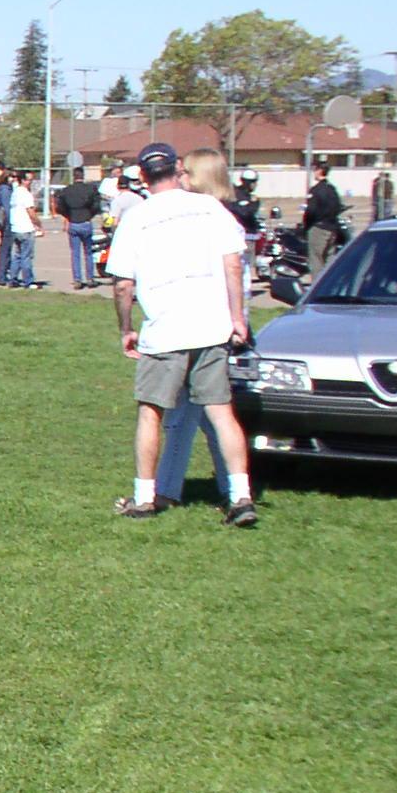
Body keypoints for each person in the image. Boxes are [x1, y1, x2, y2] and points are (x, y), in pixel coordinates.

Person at [105, 140, 256, 527]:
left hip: (164, 330)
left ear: (142, 176)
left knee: (151, 413)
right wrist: (237, 317)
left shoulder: (137, 217)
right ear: (177, 169)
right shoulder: (209, 208)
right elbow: (233, 266)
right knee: (222, 412)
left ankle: (144, 497)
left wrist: (126, 328)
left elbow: (123, 285)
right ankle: (241, 496)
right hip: (211, 328)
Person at [145, 148, 244, 509]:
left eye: (184, 172)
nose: (178, 178)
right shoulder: (204, 216)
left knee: (200, 414)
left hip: (207, 329)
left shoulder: (216, 217)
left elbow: (235, 274)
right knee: (200, 414)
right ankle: (227, 492)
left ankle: (175, 491)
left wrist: (236, 320)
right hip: (199, 326)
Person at [55, 172, 101, 288]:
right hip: (86, 221)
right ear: (83, 176)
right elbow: (96, 205)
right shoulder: (90, 189)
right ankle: (90, 278)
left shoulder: (67, 191)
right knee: (88, 252)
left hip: (74, 222)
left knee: (75, 253)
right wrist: (90, 214)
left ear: (73, 177)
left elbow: (60, 207)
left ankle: (77, 279)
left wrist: (69, 215)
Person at [303, 163, 346, 272]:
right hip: (332, 228)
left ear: (320, 171)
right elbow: (338, 207)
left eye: (315, 169)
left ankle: (318, 286)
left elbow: (311, 211)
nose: (314, 172)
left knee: (316, 260)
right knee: (329, 260)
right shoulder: (332, 190)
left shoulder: (316, 190)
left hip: (318, 228)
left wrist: (306, 227)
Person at [4, 170, 42, 287]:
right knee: (26, 256)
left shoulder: (15, 193)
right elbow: (30, 211)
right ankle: (28, 281)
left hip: (15, 228)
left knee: (17, 255)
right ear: (23, 180)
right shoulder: (25, 194)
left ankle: (13, 279)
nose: (30, 182)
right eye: (28, 180)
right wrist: (38, 224)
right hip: (25, 228)